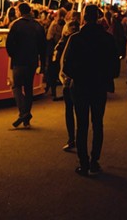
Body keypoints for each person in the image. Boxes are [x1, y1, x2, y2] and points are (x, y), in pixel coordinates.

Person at [61, 4, 120, 176]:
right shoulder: (107, 39)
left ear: (84, 18)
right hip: (99, 85)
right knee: (97, 123)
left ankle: (84, 162)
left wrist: (78, 75)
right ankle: (95, 160)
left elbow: (67, 65)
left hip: (80, 85)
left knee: (82, 125)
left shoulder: (76, 38)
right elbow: (114, 64)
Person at [6, 2, 47, 128]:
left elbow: (9, 44)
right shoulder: (38, 26)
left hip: (19, 60)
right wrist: (43, 63)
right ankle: (26, 118)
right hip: (32, 61)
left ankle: (23, 112)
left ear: (19, 11)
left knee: (16, 86)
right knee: (28, 88)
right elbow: (43, 47)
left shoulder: (16, 25)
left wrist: (13, 55)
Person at [53, 18, 80, 152]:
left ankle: (71, 139)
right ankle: (78, 139)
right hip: (80, 79)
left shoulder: (64, 42)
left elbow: (56, 59)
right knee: (80, 111)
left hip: (68, 80)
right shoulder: (81, 40)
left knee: (69, 110)